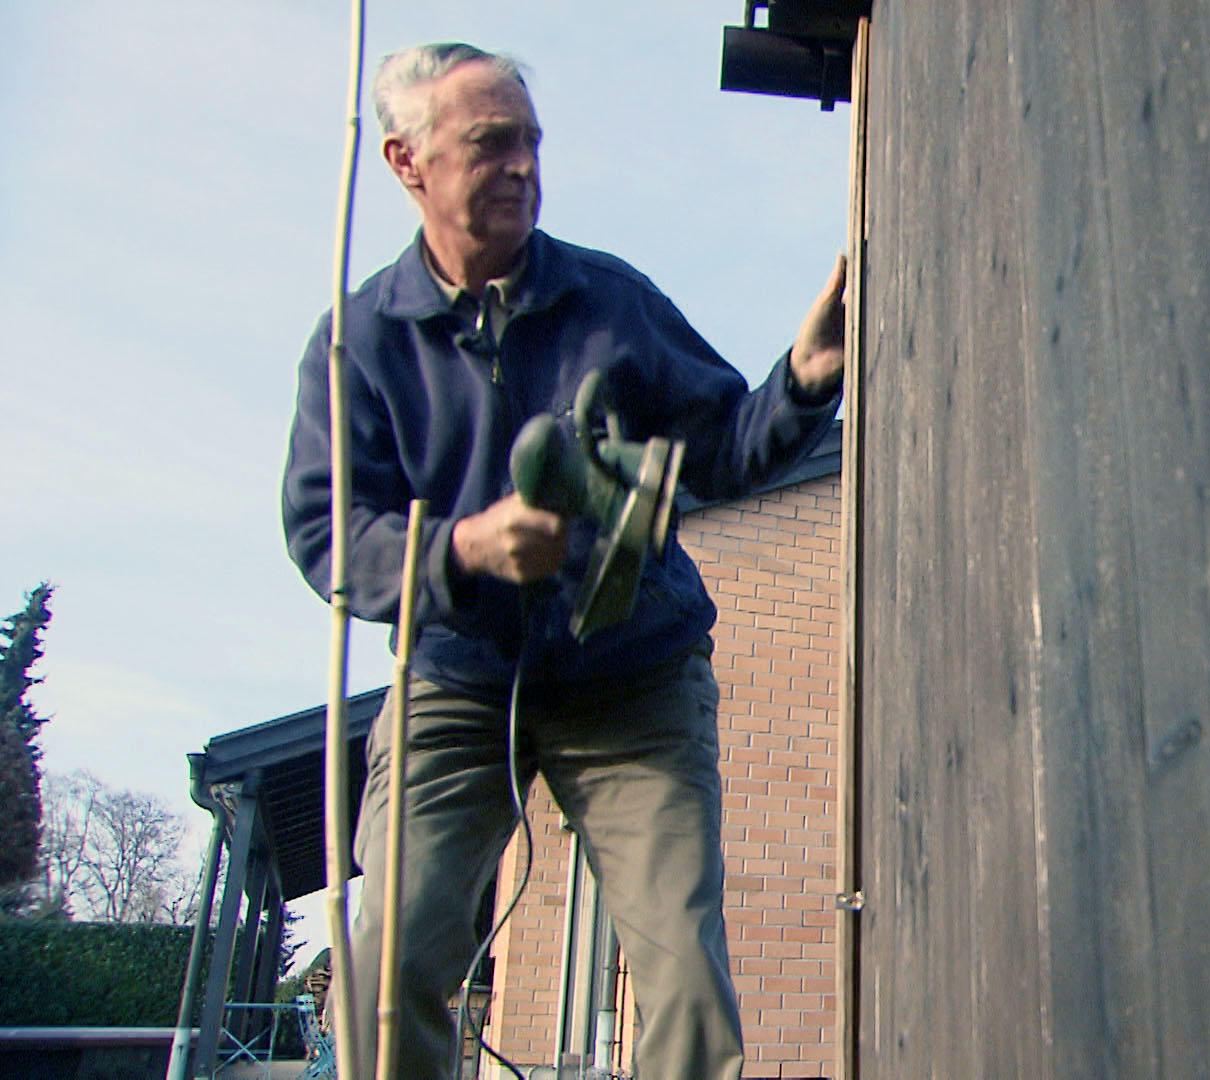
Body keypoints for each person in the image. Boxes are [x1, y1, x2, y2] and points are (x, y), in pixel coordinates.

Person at [280, 42, 845, 1080]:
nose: (524, 167)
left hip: (634, 676)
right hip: (455, 683)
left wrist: (804, 380)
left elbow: (719, 448)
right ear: (407, 163)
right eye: (490, 144)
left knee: (682, 976)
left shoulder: (609, 302)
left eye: (532, 144)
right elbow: (326, 536)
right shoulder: (358, 341)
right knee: (386, 968)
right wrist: (459, 548)